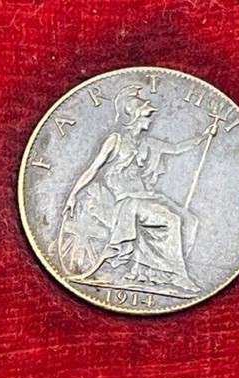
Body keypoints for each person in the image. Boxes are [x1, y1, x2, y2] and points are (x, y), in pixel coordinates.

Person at [61, 84, 206, 293]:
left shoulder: (147, 144)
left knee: (189, 220)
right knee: (172, 221)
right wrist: (73, 194)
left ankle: (152, 272)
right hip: (127, 202)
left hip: (147, 197)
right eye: (147, 114)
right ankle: (177, 276)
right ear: (135, 116)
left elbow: (176, 148)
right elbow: (93, 168)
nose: (150, 119)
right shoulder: (115, 141)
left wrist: (204, 137)